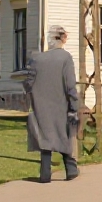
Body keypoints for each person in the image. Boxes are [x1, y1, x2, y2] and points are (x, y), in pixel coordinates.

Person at [24, 25, 81, 184]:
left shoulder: (37, 59)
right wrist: (74, 105)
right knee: (65, 134)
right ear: (62, 38)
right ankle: (71, 169)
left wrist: (35, 95)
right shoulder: (65, 58)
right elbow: (70, 85)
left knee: (45, 136)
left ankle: (45, 173)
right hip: (61, 103)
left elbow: (28, 83)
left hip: (41, 104)